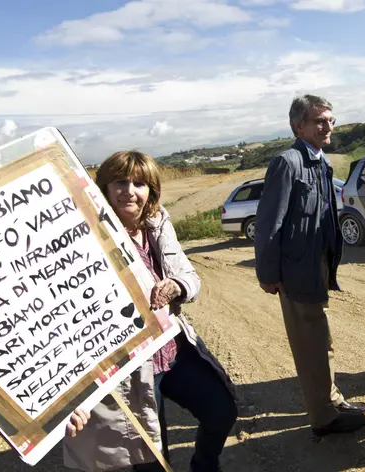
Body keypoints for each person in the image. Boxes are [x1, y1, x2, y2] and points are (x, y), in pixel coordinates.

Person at [62, 151, 238, 472]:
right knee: (153, 459)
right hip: (131, 369)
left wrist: (177, 286)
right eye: (120, 181)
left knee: (221, 410)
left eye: (139, 183)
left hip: (172, 351)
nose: (129, 190)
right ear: (103, 188)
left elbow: (190, 276)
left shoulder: (158, 223)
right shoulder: (85, 239)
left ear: (151, 190)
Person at [255, 94, 365, 437]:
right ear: (298, 126)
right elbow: (269, 223)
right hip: (295, 270)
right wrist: (268, 275)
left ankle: (332, 399)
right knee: (310, 344)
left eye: (330, 119)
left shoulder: (321, 162)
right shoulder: (287, 163)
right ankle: (324, 418)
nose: (328, 126)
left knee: (321, 336)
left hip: (316, 265)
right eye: (319, 121)